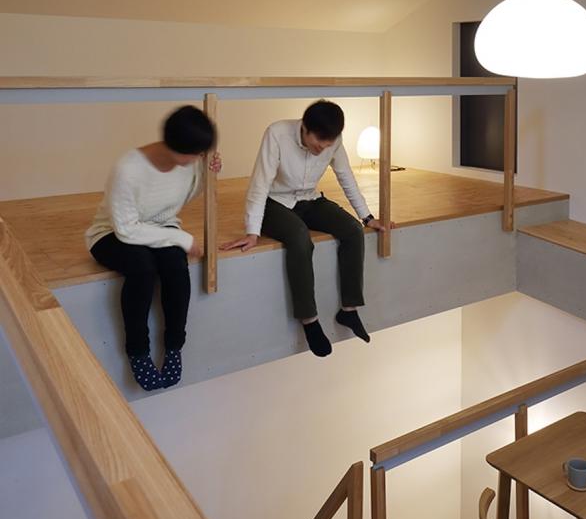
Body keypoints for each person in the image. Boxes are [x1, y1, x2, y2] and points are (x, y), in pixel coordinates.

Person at [221, 100, 386, 357]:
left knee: (353, 230)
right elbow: (259, 184)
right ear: (304, 127)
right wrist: (252, 231)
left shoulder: (333, 141)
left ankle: (349, 310)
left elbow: (346, 177)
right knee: (299, 237)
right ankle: (309, 320)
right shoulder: (277, 133)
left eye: (329, 142)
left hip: (309, 199)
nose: (323, 147)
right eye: (319, 140)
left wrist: (367, 217)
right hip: (274, 203)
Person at [86, 105, 220, 391]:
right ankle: (138, 351)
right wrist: (183, 239)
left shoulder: (188, 162)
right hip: (111, 233)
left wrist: (208, 174)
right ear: (176, 145)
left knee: (175, 265)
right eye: (196, 154)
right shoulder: (128, 169)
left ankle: (174, 347)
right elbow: (126, 229)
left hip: (160, 227)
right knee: (142, 267)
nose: (198, 158)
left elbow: (184, 195)